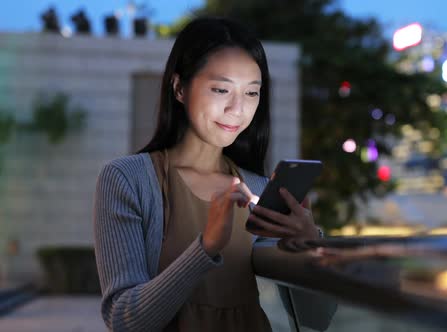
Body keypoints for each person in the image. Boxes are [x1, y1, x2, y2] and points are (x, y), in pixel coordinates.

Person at [93, 16, 321, 332]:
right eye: (220, 89)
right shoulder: (127, 179)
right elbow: (125, 320)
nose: (237, 109)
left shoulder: (257, 189)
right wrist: (207, 247)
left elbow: (316, 320)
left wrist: (310, 248)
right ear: (179, 88)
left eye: (252, 93)